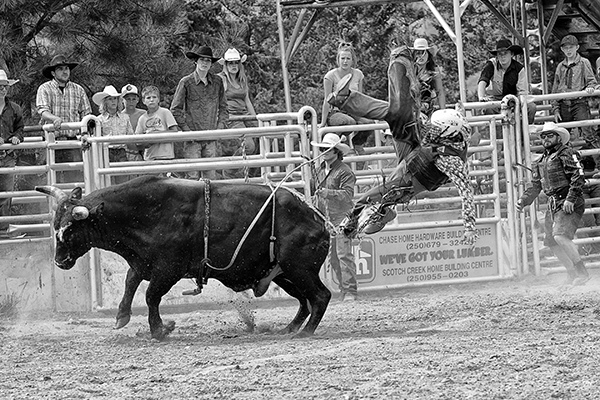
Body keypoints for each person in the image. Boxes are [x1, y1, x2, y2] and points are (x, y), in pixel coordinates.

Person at [327, 45, 478, 245]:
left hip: (413, 178)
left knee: (373, 195)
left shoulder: (453, 161)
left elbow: (466, 191)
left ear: (446, 133)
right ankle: (397, 62)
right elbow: (444, 126)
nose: (431, 129)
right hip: (415, 153)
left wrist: (469, 228)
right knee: (399, 114)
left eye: (435, 129)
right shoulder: (450, 130)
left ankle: (350, 225)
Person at [517, 122, 590, 286]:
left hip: (568, 200)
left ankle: (582, 273)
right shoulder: (541, 160)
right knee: (551, 241)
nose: (546, 139)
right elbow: (535, 186)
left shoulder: (567, 153)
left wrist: (571, 198)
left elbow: (578, 175)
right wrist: (524, 200)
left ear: (558, 138)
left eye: (550, 135)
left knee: (560, 236)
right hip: (555, 203)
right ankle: (572, 273)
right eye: (543, 136)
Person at [311, 133, 358, 302]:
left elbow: (347, 195)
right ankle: (345, 289)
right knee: (334, 258)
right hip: (327, 219)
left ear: (336, 151)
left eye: (327, 149)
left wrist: (327, 193)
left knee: (343, 255)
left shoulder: (345, 171)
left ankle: (350, 290)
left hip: (342, 218)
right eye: (322, 149)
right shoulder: (318, 171)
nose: (323, 152)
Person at [171, 45, 228, 180]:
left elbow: (224, 108)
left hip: (211, 137)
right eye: (202, 59)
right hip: (193, 138)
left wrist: (219, 129)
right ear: (195, 61)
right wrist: (187, 131)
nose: (205, 63)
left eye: (208, 60)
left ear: (211, 63)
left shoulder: (218, 82)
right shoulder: (186, 82)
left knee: (210, 177)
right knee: (192, 177)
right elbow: (175, 109)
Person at [36, 54, 92, 183]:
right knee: (50, 178)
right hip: (51, 141)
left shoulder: (78, 89)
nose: (65, 71)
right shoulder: (44, 88)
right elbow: (43, 110)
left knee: (74, 179)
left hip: (72, 141)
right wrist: (55, 118)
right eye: (60, 69)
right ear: (53, 73)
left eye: (66, 68)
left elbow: (86, 114)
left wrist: (85, 134)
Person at [321, 42, 374, 156]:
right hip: (336, 112)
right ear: (338, 59)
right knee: (348, 122)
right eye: (343, 58)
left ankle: (358, 143)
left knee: (369, 123)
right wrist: (323, 122)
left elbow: (360, 97)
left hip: (353, 110)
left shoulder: (358, 74)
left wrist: (365, 114)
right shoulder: (330, 76)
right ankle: (332, 145)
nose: (345, 61)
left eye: (348, 58)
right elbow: (326, 100)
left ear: (352, 60)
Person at [551, 35, 600, 154]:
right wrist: (555, 109)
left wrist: (590, 87)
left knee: (588, 134)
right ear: (562, 49)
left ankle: (598, 162)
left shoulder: (583, 63)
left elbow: (591, 81)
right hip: (563, 104)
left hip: (579, 103)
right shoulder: (560, 66)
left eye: (571, 47)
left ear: (577, 47)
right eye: (566, 48)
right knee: (562, 137)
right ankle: (565, 162)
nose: (568, 50)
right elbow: (555, 88)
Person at [217, 48, 258, 179]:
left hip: (244, 115)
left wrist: (255, 120)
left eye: (236, 62)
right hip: (232, 116)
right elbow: (215, 100)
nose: (234, 66)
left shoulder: (242, 79)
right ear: (225, 65)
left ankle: (249, 175)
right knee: (249, 145)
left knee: (262, 138)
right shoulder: (221, 79)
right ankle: (230, 170)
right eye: (230, 63)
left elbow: (247, 100)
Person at [477, 38, 537, 124]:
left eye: (505, 53)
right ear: (497, 55)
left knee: (531, 107)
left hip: (514, 99)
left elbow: (522, 93)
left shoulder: (519, 69)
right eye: (499, 53)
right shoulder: (491, 65)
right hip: (495, 100)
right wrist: (481, 97)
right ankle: (496, 131)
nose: (502, 56)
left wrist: (515, 102)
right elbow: (482, 81)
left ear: (511, 54)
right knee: (487, 108)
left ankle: (525, 130)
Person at [92, 85, 134, 184]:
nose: (113, 101)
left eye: (115, 98)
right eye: (110, 99)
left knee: (123, 182)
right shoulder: (99, 120)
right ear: (105, 102)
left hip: (122, 152)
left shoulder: (125, 117)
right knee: (107, 181)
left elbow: (131, 136)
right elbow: (96, 138)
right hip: (106, 152)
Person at [0, 70, 23, 236]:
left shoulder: (15, 109)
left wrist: (16, 137)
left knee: (6, 194)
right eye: (0, 86)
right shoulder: (14, 108)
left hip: (7, 155)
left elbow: (20, 129)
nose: (3, 89)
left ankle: (3, 229)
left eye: (5, 86)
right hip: (7, 155)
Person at [136, 86, 179, 164]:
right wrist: (147, 142)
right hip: (149, 157)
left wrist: (155, 136)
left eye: (154, 97)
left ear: (158, 99)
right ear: (143, 101)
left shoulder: (165, 112)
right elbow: (138, 141)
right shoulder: (142, 118)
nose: (151, 100)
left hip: (165, 156)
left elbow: (174, 131)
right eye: (148, 98)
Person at [409, 38, 446, 117]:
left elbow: (440, 92)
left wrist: (443, 112)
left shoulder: (434, 70)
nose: (421, 56)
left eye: (423, 53)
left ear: (428, 55)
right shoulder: (409, 70)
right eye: (418, 53)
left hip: (427, 110)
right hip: (410, 110)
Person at [120, 84, 146, 163]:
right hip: (124, 154)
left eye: (133, 99)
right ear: (122, 100)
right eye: (128, 99)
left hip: (143, 152)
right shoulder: (119, 116)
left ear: (137, 100)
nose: (131, 102)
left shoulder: (144, 114)